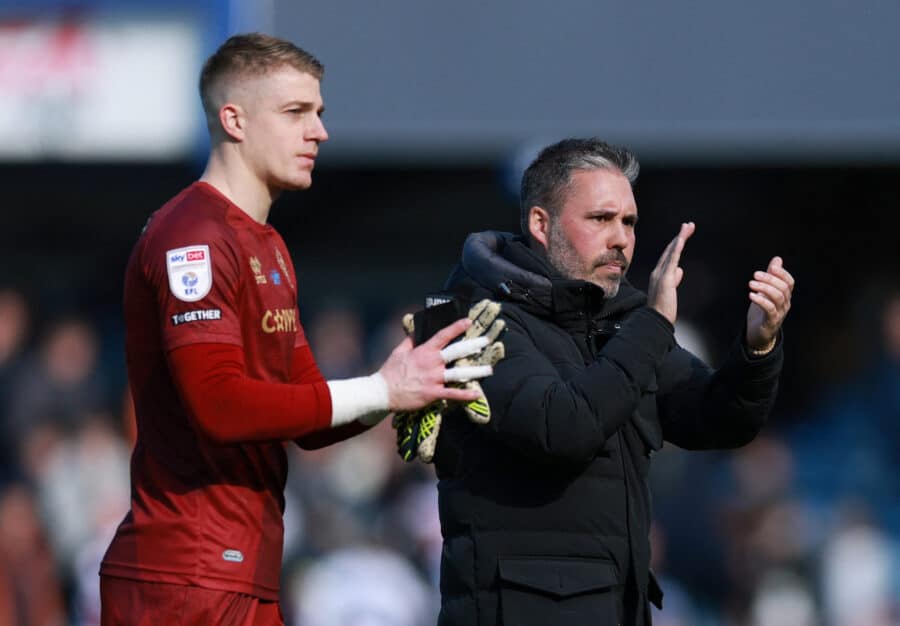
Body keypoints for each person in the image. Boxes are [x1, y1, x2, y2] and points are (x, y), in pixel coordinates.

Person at [99, 33, 494, 626]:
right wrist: (383, 391)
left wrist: (409, 380)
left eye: (319, 113)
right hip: (187, 574)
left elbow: (308, 416)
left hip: (240, 570)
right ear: (234, 119)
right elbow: (220, 406)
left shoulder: (270, 247)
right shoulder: (195, 237)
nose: (319, 132)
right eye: (295, 113)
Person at [426, 138, 794, 625]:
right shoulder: (473, 320)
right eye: (601, 219)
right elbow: (562, 428)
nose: (620, 238)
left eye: (629, 222)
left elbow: (720, 420)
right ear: (541, 223)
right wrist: (655, 324)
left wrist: (758, 346)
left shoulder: (623, 322)